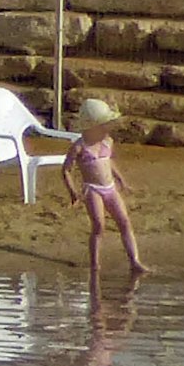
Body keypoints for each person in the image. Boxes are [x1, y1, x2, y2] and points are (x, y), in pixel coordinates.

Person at [64, 94, 147, 285]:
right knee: (99, 225)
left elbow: (108, 162)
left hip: (109, 187)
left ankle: (134, 260)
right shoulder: (79, 147)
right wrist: (73, 192)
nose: (108, 128)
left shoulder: (107, 142)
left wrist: (121, 180)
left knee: (124, 221)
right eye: (104, 125)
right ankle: (95, 264)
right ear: (92, 126)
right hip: (92, 189)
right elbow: (66, 170)